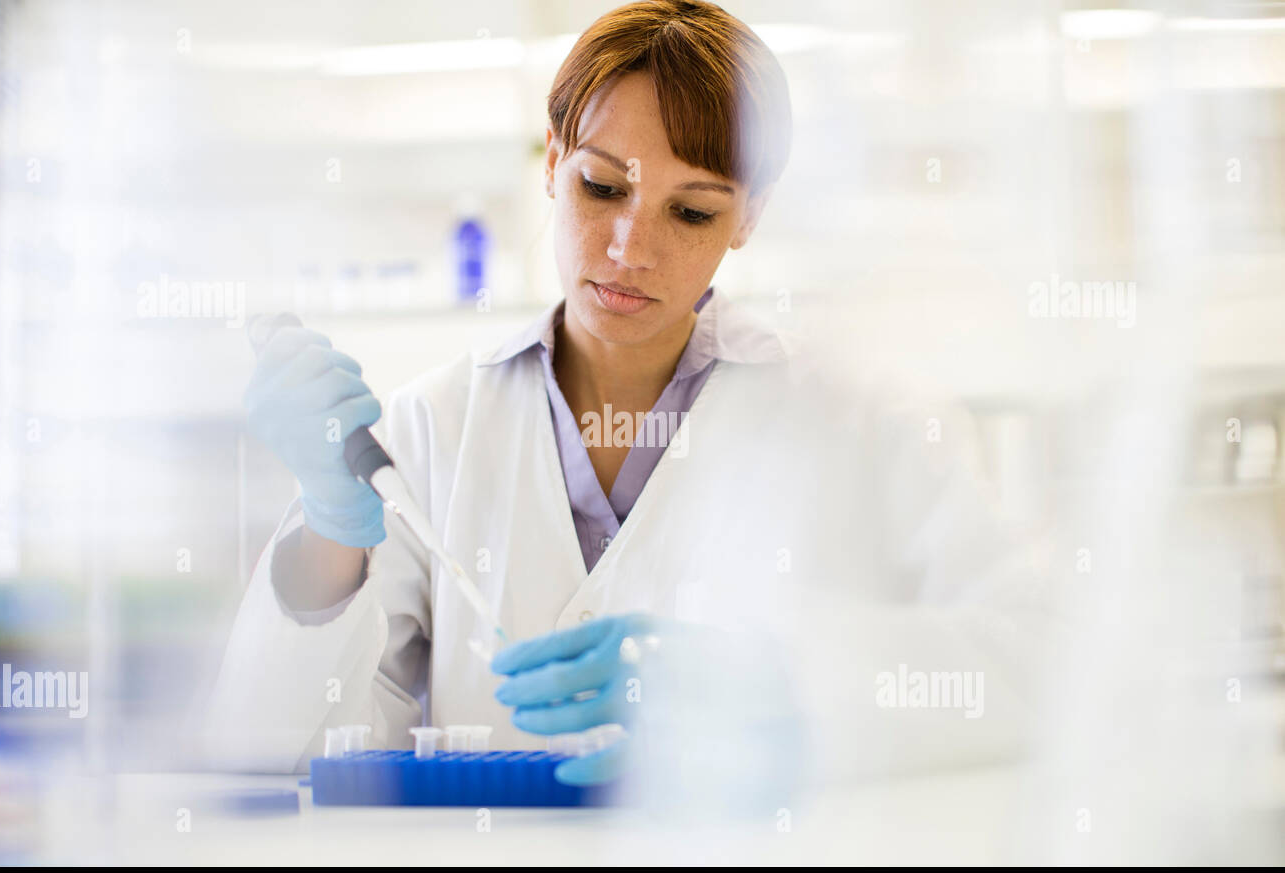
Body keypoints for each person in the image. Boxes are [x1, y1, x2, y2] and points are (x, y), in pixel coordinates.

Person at [203, 0, 1044, 786]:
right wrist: (328, 530)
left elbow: (1037, 663)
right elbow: (278, 754)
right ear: (551, 161)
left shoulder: (870, 421)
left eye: (693, 213)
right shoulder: (429, 430)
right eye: (602, 187)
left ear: (750, 216)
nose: (630, 247)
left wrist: (777, 681)